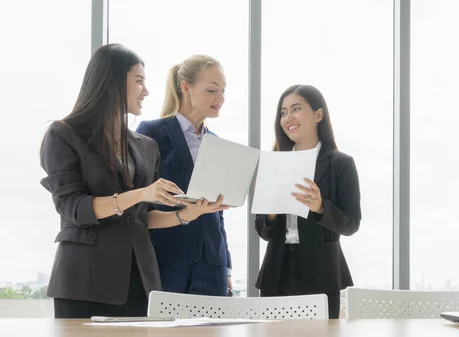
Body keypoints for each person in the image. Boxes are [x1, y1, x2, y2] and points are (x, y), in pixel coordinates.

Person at [39, 43, 224, 318]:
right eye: (138, 81)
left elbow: (143, 218)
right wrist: (139, 194)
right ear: (111, 81)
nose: (146, 91)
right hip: (85, 281)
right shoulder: (64, 134)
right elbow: (75, 209)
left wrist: (189, 214)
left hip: (140, 281)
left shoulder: (145, 145)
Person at [254, 84, 362, 319]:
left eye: (296, 109)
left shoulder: (340, 164)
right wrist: (270, 213)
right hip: (277, 270)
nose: (287, 118)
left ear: (318, 115)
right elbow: (263, 231)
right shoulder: (273, 163)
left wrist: (320, 207)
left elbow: (352, 223)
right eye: (283, 112)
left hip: (322, 272)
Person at [136, 54, 233, 296]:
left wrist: (227, 266)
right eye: (212, 90)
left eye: (223, 90)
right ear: (185, 87)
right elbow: (139, 204)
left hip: (212, 264)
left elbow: (217, 215)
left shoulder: (217, 144)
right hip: (168, 259)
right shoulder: (151, 133)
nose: (220, 98)